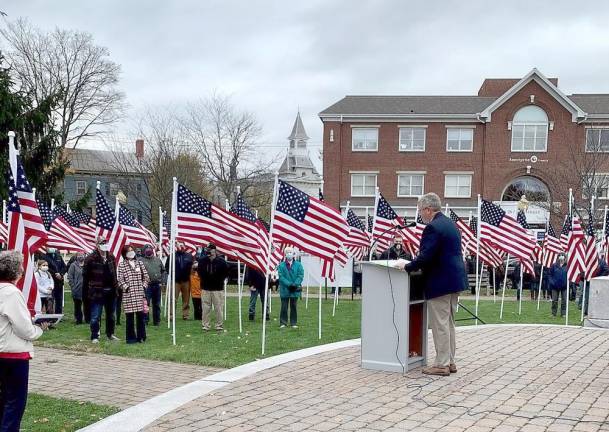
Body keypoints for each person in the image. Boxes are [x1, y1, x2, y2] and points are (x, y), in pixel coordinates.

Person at [400, 193, 466, 377]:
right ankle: (450, 361)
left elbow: (426, 256)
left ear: (429, 209)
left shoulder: (433, 227)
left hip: (440, 282)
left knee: (440, 325)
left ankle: (441, 364)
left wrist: (407, 266)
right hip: (454, 280)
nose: (421, 215)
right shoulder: (450, 224)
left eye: (421, 211)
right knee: (448, 323)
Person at [0, 250, 47, 431]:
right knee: (14, 403)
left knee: (3, 402)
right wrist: (37, 330)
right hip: (12, 354)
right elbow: (23, 328)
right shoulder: (11, 292)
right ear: (16, 272)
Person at [83, 238, 120, 343]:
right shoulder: (90, 258)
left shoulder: (111, 257)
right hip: (97, 292)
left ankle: (110, 334)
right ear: (97, 245)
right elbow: (85, 276)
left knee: (111, 315)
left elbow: (114, 274)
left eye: (106, 243)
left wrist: (116, 287)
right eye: (102, 243)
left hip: (111, 291)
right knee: (95, 316)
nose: (105, 245)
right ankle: (95, 336)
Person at [117, 245, 149, 344]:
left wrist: (143, 286)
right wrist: (127, 288)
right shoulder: (121, 265)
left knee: (140, 317)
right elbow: (120, 280)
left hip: (139, 294)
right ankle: (130, 338)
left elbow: (146, 277)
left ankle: (141, 337)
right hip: (128, 295)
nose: (131, 252)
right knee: (129, 318)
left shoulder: (139, 263)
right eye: (129, 251)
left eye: (132, 250)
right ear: (125, 254)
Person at [197, 243, 228, 331]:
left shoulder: (221, 261)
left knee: (218, 307)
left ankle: (219, 325)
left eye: (210, 249)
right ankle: (206, 325)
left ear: (215, 250)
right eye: (207, 249)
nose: (209, 251)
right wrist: (205, 279)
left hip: (217, 289)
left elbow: (225, 273)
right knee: (206, 308)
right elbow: (200, 272)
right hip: (205, 288)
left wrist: (218, 280)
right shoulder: (202, 260)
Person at [139, 244, 165, 326]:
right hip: (146, 285)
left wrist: (162, 281)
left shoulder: (157, 260)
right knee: (146, 304)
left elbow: (163, 271)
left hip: (157, 285)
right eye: (146, 249)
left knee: (156, 304)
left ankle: (157, 321)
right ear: (143, 251)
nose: (148, 250)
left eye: (150, 248)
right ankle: (145, 320)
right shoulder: (140, 260)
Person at [278, 247, 304, 328]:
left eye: (290, 252)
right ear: (285, 254)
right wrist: (289, 284)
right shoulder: (281, 265)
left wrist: (295, 284)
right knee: (284, 307)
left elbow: (300, 275)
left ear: (293, 254)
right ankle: (283, 322)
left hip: (295, 290)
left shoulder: (299, 265)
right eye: (287, 252)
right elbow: (281, 276)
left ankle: (293, 323)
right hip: (285, 289)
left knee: (294, 307)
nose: (289, 254)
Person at [166, 242, 193, 320]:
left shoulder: (189, 256)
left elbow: (192, 267)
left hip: (186, 281)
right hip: (175, 281)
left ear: (185, 246)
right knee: (173, 299)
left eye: (182, 245)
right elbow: (167, 267)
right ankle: (171, 316)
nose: (181, 247)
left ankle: (185, 315)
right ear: (176, 246)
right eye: (179, 245)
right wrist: (172, 275)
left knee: (186, 299)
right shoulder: (172, 256)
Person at [43, 247, 67, 314]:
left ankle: (58, 314)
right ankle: (50, 315)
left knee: (59, 299)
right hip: (50, 282)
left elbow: (64, 267)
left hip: (59, 282)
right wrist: (55, 274)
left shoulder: (58, 256)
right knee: (50, 299)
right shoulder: (44, 257)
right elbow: (46, 268)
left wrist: (61, 274)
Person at [67, 253, 85, 324]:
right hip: (77, 289)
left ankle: (87, 319)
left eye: (82, 255)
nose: (81, 257)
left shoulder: (86, 265)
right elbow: (70, 276)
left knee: (87, 305)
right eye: (79, 255)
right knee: (77, 305)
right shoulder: (73, 265)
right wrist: (73, 287)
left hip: (86, 289)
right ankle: (78, 319)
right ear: (76, 257)